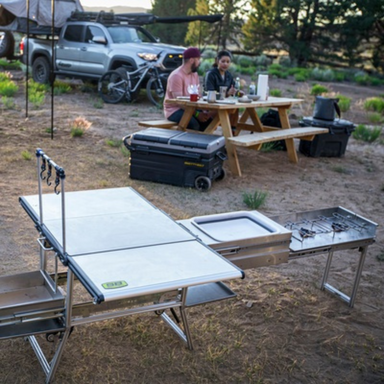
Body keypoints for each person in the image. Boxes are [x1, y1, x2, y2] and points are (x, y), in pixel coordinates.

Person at [164, 47, 214, 131]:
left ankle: (201, 143)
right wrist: (197, 114)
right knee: (194, 124)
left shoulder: (194, 75)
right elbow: (179, 102)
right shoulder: (176, 76)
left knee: (209, 122)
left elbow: (198, 95)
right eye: (198, 59)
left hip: (191, 108)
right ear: (191, 60)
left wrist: (204, 110)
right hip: (174, 110)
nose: (199, 62)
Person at [205, 50, 243, 133]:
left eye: (228, 62)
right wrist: (227, 94)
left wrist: (238, 92)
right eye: (223, 61)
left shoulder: (228, 75)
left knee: (235, 108)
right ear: (217, 61)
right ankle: (229, 133)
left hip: (224, 105)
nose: (225, 64)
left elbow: (232, 89)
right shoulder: (211, 74)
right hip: (211, 106)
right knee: (231, 110)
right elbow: (210, 93)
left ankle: (232, 131)